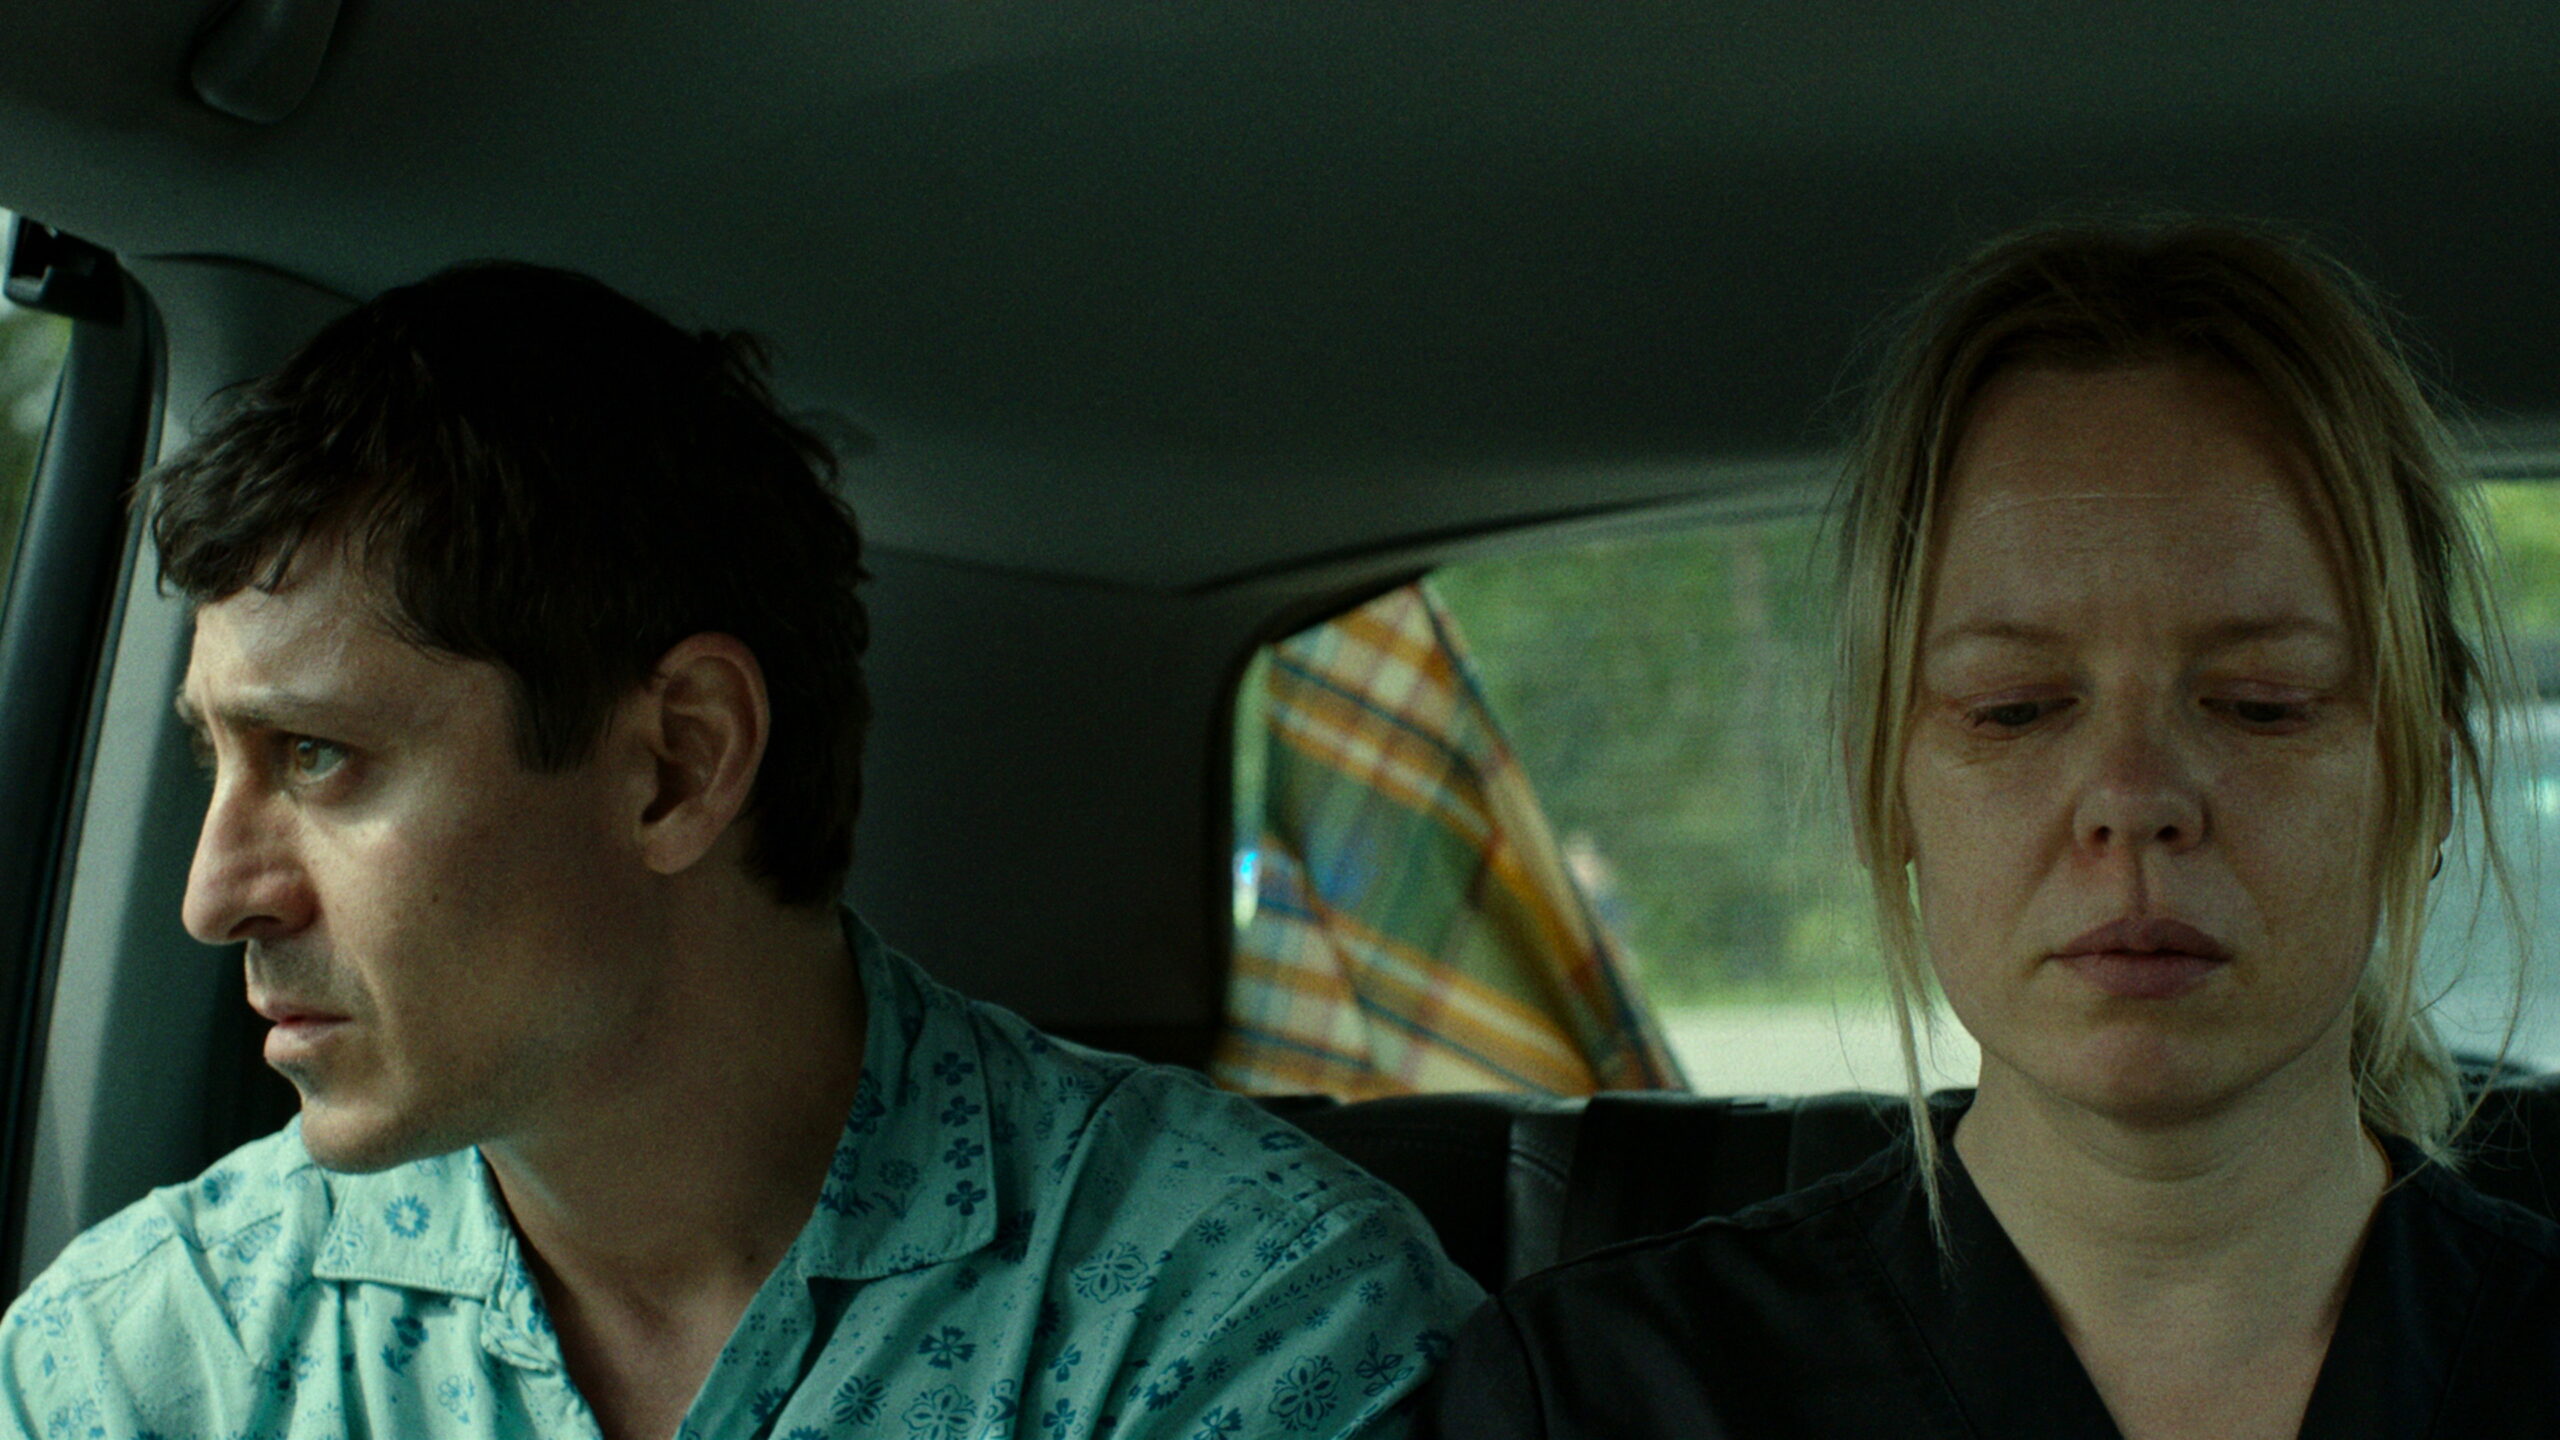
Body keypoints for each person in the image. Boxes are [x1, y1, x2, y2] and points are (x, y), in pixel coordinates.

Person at [0, 262, 1481, 1439]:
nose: (214, 895)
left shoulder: (1237, 1319)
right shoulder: (145, 1365)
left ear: (678, 764)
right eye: (215, 761)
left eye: (319, 756)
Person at [1409, 218, 2560, 1437]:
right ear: (1879, 780)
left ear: (2428, 773)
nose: (2132, 797)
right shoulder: (1594, 1400)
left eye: (2260, 704)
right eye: (2013, 709)